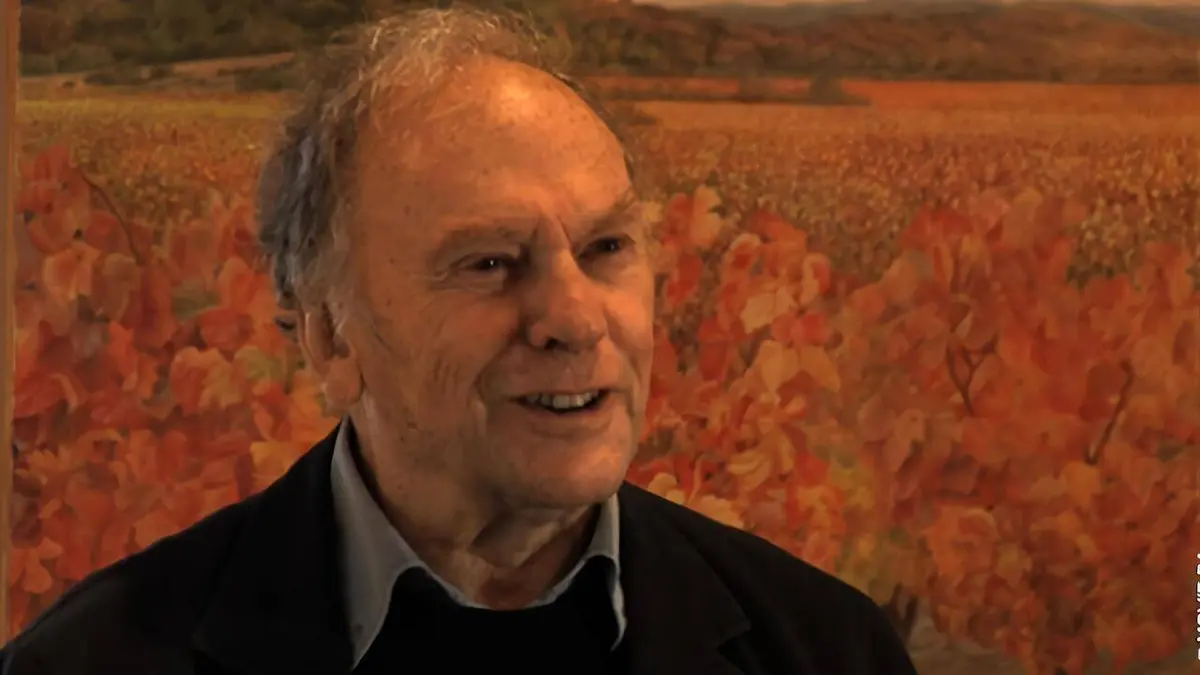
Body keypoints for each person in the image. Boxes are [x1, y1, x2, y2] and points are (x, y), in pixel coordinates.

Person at [0, 7, 918, 675]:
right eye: (489, 263)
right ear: (330, 337)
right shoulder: (91, 662)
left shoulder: (827, 649)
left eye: (606, 248)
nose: (574, 318)